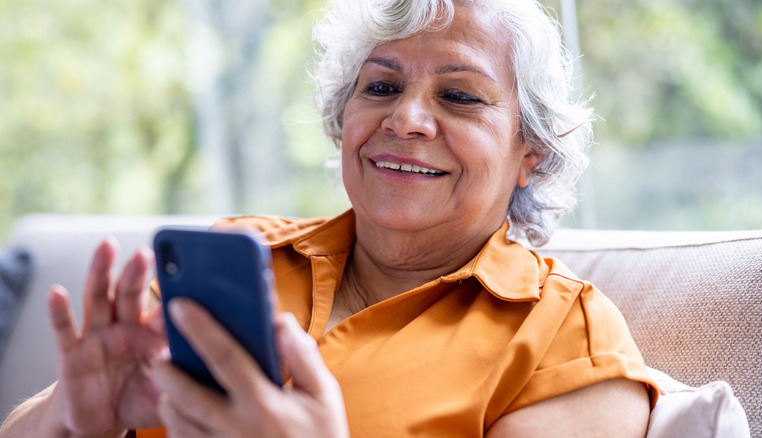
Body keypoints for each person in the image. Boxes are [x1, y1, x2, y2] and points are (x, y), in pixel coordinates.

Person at [0, 0, 659, 436]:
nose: (405, 119)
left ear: (530, 154)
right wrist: (72, 413)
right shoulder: (240, 253)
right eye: (380, 87)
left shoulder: (567, 338)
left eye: (459, 96)